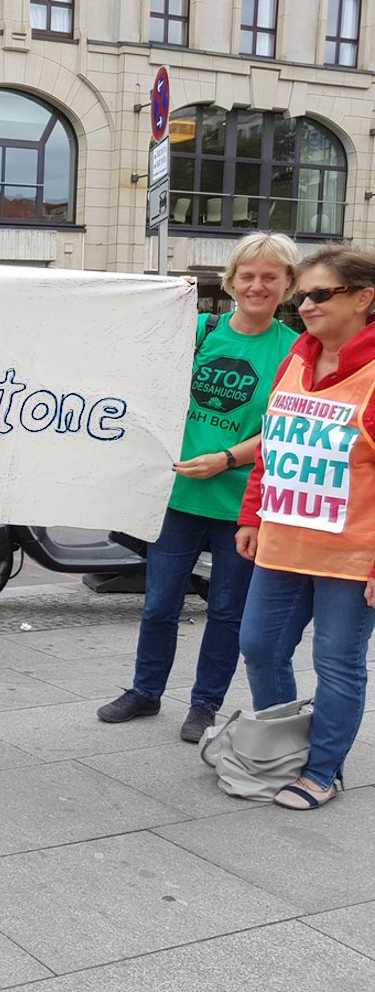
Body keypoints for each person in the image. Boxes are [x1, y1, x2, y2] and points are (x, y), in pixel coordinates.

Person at [98, 233, 300, 743]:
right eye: (247, 276)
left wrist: (227, 459)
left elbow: (288, 426)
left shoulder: (295, 350)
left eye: (270, 277)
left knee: (227, 612)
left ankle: (205, 705)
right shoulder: (199, 330)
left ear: (288, 285)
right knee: (159, 604)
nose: (257, 286)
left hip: (241, 505)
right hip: (179, 498)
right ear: (231, 281)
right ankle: (145, 691)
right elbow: (137, 370)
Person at [236, 244, 375, 810]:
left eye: (320, 294)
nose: (307, 305)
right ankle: (286, 752)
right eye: (303, 296)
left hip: (350, 555)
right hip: (282, 542)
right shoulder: (297, 357)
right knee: (259, 645)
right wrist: (252, 514)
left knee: (336, 664)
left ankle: (322, 770)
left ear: (364, 298)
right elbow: (275, 442)